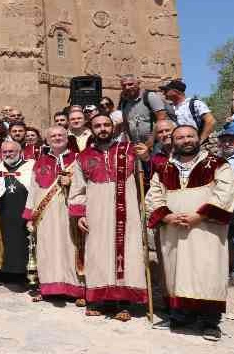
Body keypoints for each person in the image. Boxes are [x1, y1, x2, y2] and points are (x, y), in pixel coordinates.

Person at [147, 125, 234, 341]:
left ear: (198, 138)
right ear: (173, 141)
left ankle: (210, 321)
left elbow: (225, 193)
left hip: (206, 230)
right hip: (174, 230)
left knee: (207, 271)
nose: (186, 140)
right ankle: (180, 315)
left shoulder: (217, 164)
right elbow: (153, 197)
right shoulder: (164, 168)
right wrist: (167, 216)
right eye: (180, 137)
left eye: (190, 136)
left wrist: (200, 215)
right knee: (177, 269)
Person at [69, 115, 148, 321]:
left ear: (113, 127)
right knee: (98, 254)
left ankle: (123, 302)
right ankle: (98, 300)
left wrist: (146, 158)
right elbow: (77, 189)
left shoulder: (130, 150)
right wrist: (80, 214)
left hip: (127, 213)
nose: (102, 129)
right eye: (97, 126)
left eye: (106, 125)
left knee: (127, 253)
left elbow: (149, 175)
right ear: (91, 129)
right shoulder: (83, 157)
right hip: (96, 213)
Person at [23, 126, 85, 304]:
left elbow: (88, 185)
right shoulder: (40, 161)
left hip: (70, 212)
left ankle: (75, 288)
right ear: (47, 140)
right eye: (53, 136)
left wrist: (72, 181)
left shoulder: (78, 159)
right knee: (48, 250)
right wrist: (30, 216)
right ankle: (50, 288)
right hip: (46, 216)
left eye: (60, 135)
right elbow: (34, 189)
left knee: (70, 248)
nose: (57, 138)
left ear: (67, 137)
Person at [0, 141, 33, 281]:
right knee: (7, 242)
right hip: (4, 212)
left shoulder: (30, 166)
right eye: (5, 152)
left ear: (19, 152)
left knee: (24, 242)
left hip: (25, 211)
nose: (8, 154)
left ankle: (26, 274)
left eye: (11, 151)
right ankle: (7, 274)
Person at [218, 129, 234, 287]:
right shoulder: (219, 158)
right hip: (222, 201)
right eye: (224, 140)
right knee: (224, 237)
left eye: (231, 140)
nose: (227, 143)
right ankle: (224, 270)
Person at [118, 74, 167, 144]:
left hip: (155, 143)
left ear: (138, 83)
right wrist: (129, 141)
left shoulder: (150, 96)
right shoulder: (124, 103)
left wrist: (151, 140)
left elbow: (161, 119)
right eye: (124, 85)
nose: (127, 87)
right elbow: (126, 124)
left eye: (130, 84)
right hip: (136, 145)